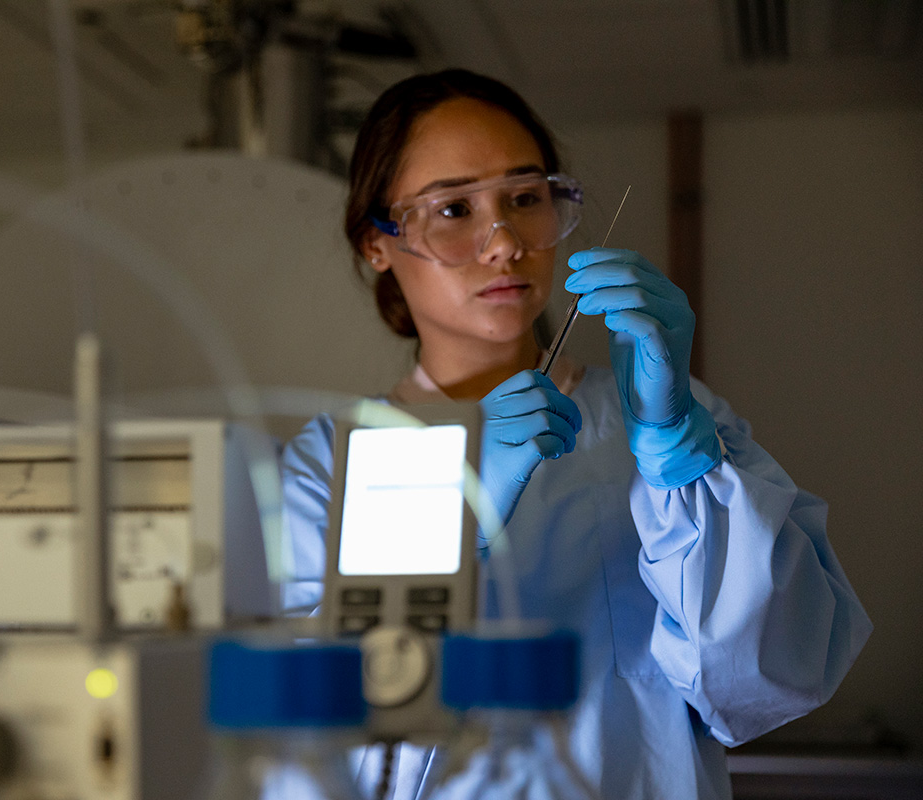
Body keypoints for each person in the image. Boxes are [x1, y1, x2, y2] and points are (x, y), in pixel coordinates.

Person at [279, 69, 872, 799]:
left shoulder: (671, 418)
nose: (503, 244)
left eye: (525, 199)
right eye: (455, 208)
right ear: (378, 243)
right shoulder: (331, 463)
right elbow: (302, 745)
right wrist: (445, 521)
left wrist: (677, 454)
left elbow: (775, 679)